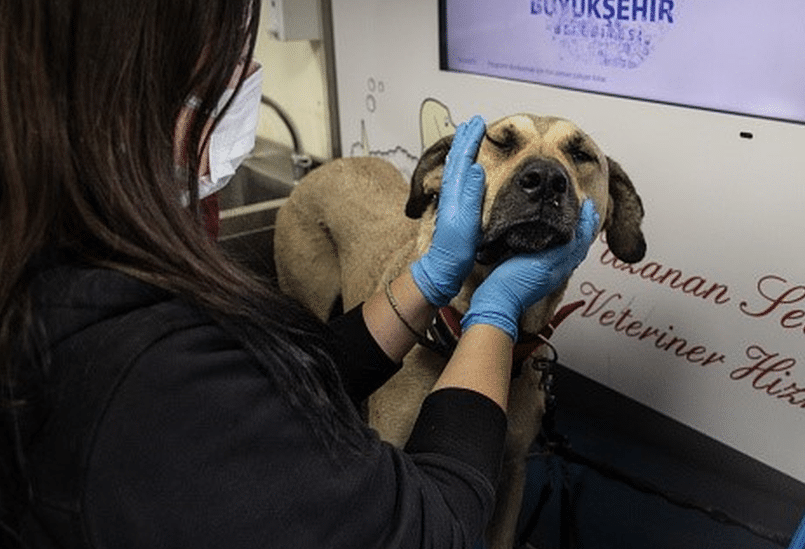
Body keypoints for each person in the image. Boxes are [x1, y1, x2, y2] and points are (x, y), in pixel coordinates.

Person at [0, 2, 599, 548]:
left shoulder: (66, 285)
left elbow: (282, 385)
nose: (247, 73)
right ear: (115, 98)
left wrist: (429, 280)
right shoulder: (145, 371)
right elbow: (431, 530)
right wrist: (494, 311)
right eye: (222, 61)